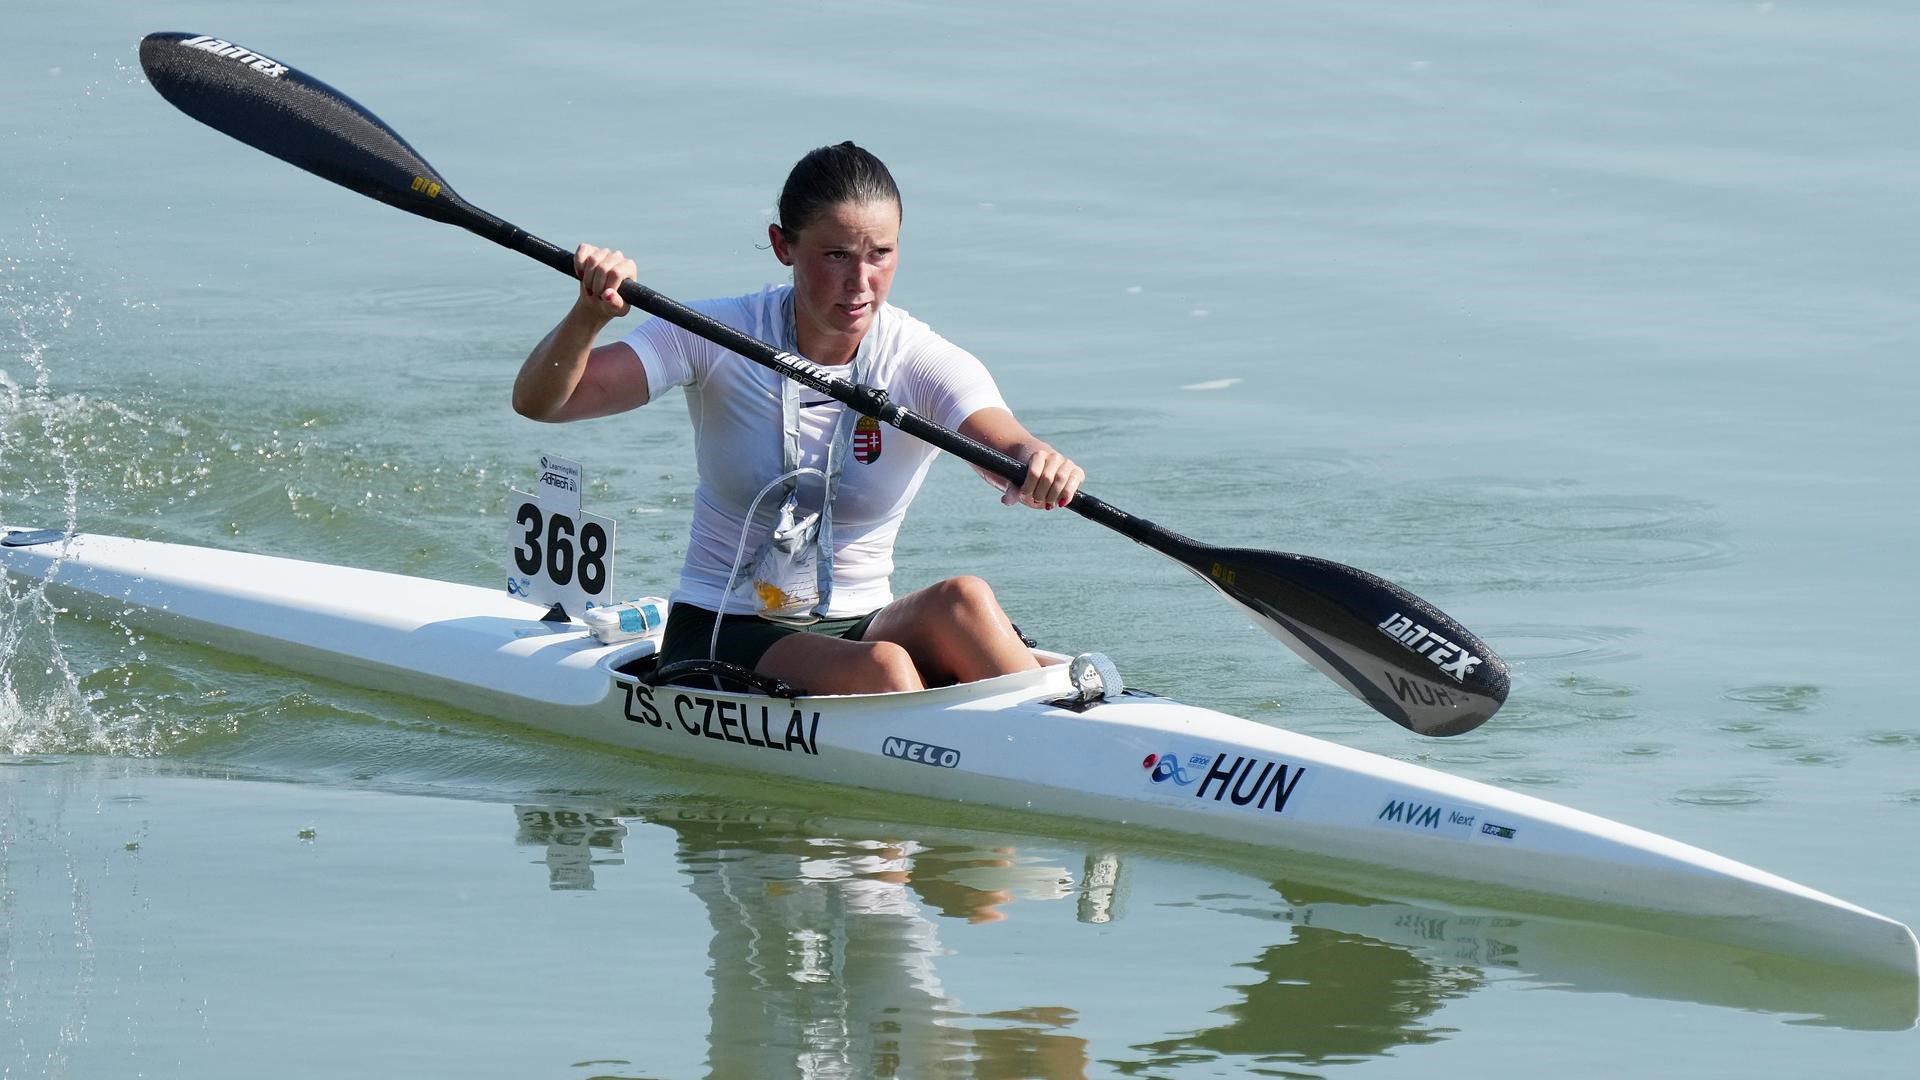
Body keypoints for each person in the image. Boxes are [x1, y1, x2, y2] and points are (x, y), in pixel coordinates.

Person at [512, 142, 1084, 694]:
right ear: (782, 246)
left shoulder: (919, 359)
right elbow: (545, 403)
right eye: (836, 255)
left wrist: (1036, 463)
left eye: (880, 254)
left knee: (965, 599)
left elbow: (1004, 443)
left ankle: (1064, 740)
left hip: (862, 622)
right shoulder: (714, 336)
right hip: (723, 623)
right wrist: (588, 316)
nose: (861, 284)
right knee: (884, 671)